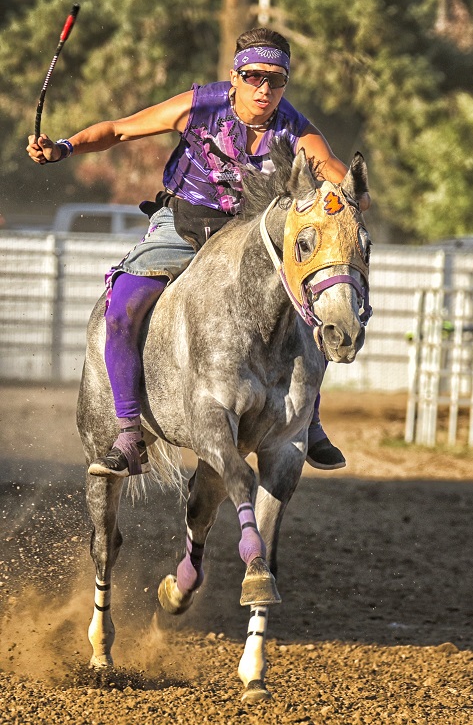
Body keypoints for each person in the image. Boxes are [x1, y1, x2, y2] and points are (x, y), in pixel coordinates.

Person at [27, 27, 370, 477]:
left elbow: (345, 186)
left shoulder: (295, 129)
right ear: (234, 76)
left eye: (276, 80)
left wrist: (347, 197)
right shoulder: (199, 106)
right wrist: (63, 148)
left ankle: (311, 420)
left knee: (308, 306)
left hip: (248, 238)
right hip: (184, 222)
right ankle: (129, 433)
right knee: (121, 310)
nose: (264, 89)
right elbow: (118, 129)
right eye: (253, 76)